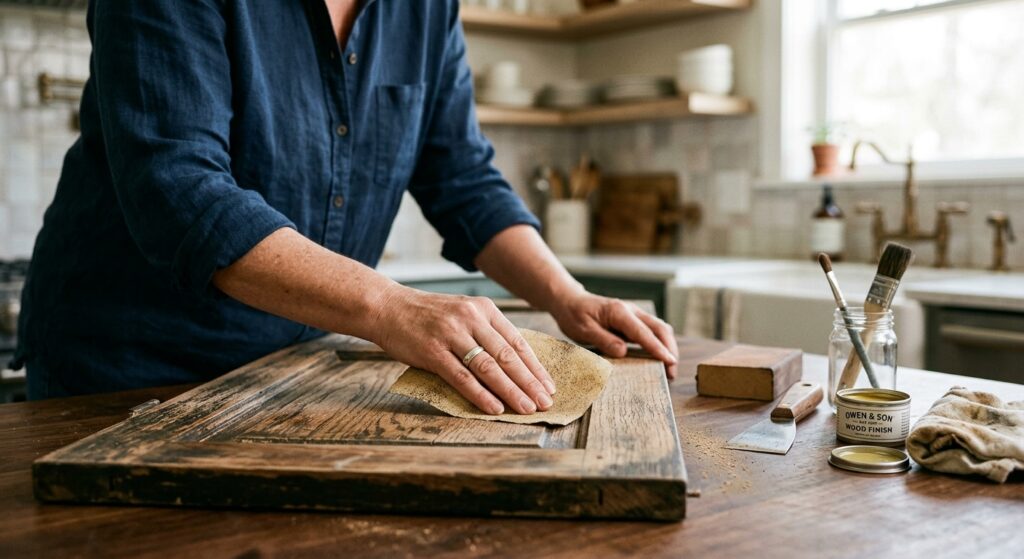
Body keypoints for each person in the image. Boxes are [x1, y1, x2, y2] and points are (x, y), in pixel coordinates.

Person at [15, 0, 678, 415]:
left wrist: (565, 296)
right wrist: (390, 306)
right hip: (124, 370)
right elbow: (180, 189)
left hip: (288, 372)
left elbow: (462, 177)